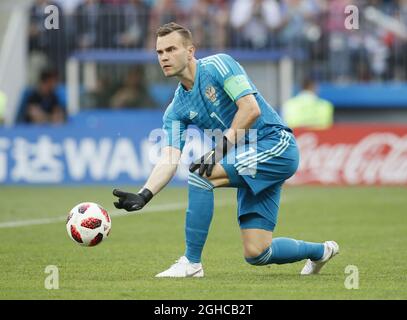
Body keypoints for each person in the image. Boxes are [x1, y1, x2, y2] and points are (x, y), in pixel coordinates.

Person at [112, 22, 339, 278]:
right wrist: (144, 195)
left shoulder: (219, 65)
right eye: (159, 52)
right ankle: (322, 251)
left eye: (171, 49)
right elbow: (169, 157)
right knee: (257, 252)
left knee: (200, 175)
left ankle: (192, 263)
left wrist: (220, 149)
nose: (164, 56)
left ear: (190, 51)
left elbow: (250, 109)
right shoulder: (175, 110)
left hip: (274, 145)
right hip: (247, 159)